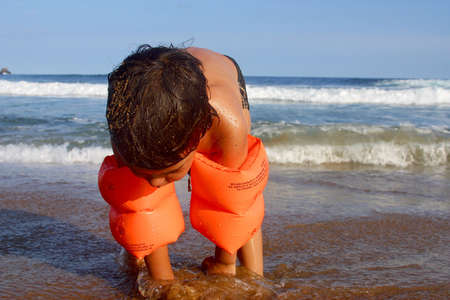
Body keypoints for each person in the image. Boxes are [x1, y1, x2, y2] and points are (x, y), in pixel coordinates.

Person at [104, 45, 266, 281]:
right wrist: (163, 283)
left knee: (239, 190)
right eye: (146, 173)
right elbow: (145, 208)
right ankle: (136, 247)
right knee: (136, 199)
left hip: (222, 76)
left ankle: (256, 278)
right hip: (162, 84)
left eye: (171, 172)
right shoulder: (125, 132)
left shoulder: (228, 127)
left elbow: (233, 203)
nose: (156, 183)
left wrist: (224, 262)